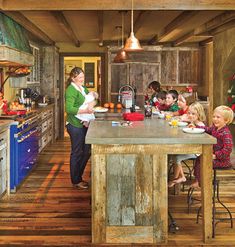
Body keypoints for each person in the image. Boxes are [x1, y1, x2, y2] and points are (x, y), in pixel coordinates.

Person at [191, 105, 234, 188]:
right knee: (199, 159)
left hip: (223, 161)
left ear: (226, 120)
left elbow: (228, 149)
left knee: (203, 161)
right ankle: (199, 179)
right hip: (215, 156)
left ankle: (201, 182)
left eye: (218, 117)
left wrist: (215, 156)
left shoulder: (225, 133)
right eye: (214, 116)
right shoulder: (215, 128)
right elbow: (207, 129)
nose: (215, 119)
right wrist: (196, 127)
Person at [65, 67, 92, 189]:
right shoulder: (71, 90)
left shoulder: (83, 88)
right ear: (73, 78)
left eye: (83, 76)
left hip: (84, 124)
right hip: (75, 126)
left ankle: (79, 176)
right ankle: (76, 180)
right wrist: (86, 110)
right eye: (80, 77)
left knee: (86, 151)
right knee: (77, 152)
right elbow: (69, 109)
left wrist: (88, 114)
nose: (82, 79)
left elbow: (89, 100)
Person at [168, 102, 206, 187]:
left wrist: (193, 127)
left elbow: (200, 136)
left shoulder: (200, 125)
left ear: (199, 114)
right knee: (175, 154)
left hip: (197, 151)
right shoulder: (192, 122)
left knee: (177, 157)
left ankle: (179, 178)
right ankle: (178, 177)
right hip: (190, 147)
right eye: (189, 113)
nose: (190, 115)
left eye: (193, 114)